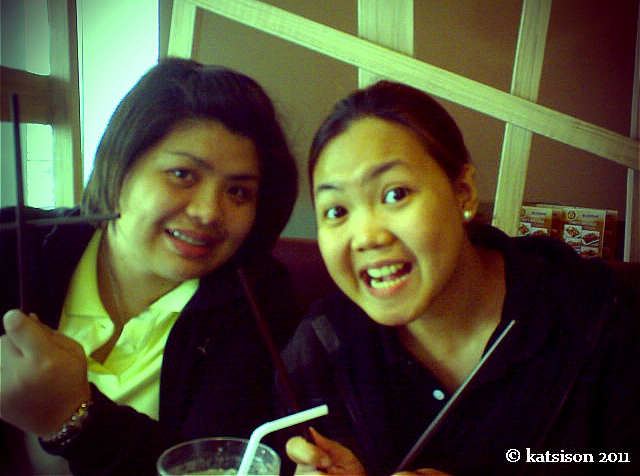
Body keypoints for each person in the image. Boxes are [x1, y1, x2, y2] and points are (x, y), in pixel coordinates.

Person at [278, 81, 639, 476]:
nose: (365, 237)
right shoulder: (322, 348)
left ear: (463, 192)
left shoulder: (596, 320)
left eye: (395, 194)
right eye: (336, 211)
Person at [0, 58, 299, 475]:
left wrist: (75, 417)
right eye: (182, 174)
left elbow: (218, 462)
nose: (209, 212)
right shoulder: (14, 247)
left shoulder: (258, 303)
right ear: (120, 165)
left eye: (238, 192)